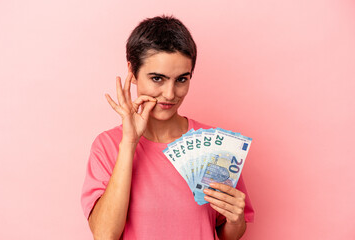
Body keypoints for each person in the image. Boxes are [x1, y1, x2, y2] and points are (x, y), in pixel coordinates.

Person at [81, 15, 254, 240]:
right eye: (157, 78)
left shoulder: (214, 146)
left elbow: (227, 234)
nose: (170, 94)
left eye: (181, 79)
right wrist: (130, 143)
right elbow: (105, 235)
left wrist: (235, 219)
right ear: (132, 72)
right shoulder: (108, 146)